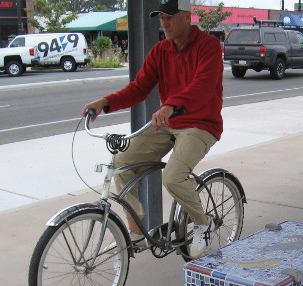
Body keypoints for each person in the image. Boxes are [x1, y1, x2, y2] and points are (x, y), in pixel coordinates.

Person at [82, 0, 223, 258]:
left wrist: (170, 105)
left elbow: (203, 87)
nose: (164, 23)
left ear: (186, 16)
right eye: (161, 18)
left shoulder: (209, 47)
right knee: (123, 162)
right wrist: (106, 102)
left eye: (169, 17)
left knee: (173, 177)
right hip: (168, 123)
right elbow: (139, 87)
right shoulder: (161, 51)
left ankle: (203, 223)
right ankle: (136, 231)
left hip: (200, 124)